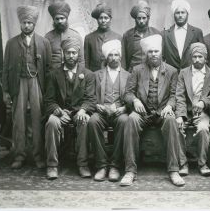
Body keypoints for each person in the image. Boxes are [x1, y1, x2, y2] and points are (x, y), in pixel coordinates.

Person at [123, 35, 184, 187]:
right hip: (142, 113)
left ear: (161, 52)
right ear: (146, 54)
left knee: (171, 120)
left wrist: (170, 106)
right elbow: (128, 93)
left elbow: (174, 94)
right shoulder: (137, 70)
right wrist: (135, 100)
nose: (154, 54)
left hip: (162, 112)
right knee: (131, 119)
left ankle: (173, 170)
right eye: (150, 51)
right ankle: (130, 170)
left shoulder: (171, 71)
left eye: (156, 51)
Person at [2, 6, 51, 169]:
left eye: (30, 22)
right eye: (24, 22)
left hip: (36, 82)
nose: (27, 25)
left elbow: (49, 68)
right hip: (18, 83)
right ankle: (19, 155)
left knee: (38, 119)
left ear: (34, 23)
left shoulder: (44, 42)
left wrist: (48, 91)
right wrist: (6, 91)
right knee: (18, 121)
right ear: (20, 23)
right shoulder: (11, 43)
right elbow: (6, 67)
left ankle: (38, 156)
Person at [44, 38, 96, 180]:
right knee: (51, 123)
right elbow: (48, 100)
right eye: (68, 53)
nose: (71, 56)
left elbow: (91, 99)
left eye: (73, 53)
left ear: (78, 54)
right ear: (63, 54)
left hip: (78, 111)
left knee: (84, 121)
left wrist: (83, 110)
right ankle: (52, 165)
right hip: (60, 112)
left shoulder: (88, 74)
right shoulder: (54, 74)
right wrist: (58, 111)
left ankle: (82, 163)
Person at [87, 40, 130, 182]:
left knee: (125, 122)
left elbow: (132, 96)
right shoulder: (96, 75)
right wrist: (96, 106)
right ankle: (101, 165)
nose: (113, 58)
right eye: (110, 55)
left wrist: (124, 108)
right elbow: (91, 95)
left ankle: (115, 166)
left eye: (116, 54)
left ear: (120, 57)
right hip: (101, 111)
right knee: (92, 122)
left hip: (119, 112)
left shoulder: (128, 75)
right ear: (106, 58)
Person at [175, 43, 210, 177]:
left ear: (205, 58)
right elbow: (180, 95)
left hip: (203, 112)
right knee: (177, 128)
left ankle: (202, 163)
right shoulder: (184, 73)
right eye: (194, 57)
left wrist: (203, 102)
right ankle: (183, 163)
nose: (197, 60)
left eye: (200, 57)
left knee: (203, 128)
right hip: (186, 111)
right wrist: (180, 115)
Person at [162, 0, 204, 71]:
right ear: (173, 15)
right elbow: (162, 57)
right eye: (177, 13)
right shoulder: (165, 34)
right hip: (171, 76)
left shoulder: (197, 32)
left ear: (187, 14)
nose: (180, 15)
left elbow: (203, 55)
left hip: (191, 74)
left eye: (183, 12)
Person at [122, 0, 160, 72]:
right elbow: (123, 59)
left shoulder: (156, 33)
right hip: (132, 73)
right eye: (139, 18)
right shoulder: (127, 35)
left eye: (144, 18)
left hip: (150, 72)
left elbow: (161, 57)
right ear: (135, 19)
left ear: (148, 18)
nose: (141, 21)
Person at [45, 2, 84, 69]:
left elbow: (81, 60)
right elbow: (45, 60)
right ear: (54, 20)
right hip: (53, 75)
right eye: (57, 19)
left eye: (62, 18)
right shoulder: (48, 37)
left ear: (66, 19)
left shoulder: (76, 35)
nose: (60, 21)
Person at [84, 4, 122, 72]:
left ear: (110, 19)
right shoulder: (89, 38)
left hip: (112, 74)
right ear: (97, 20)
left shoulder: (118, 37)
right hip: (94, 75)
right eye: (100, 18)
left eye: (106, 18)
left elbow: (121, 61)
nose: (103, 20)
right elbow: (86, 62)